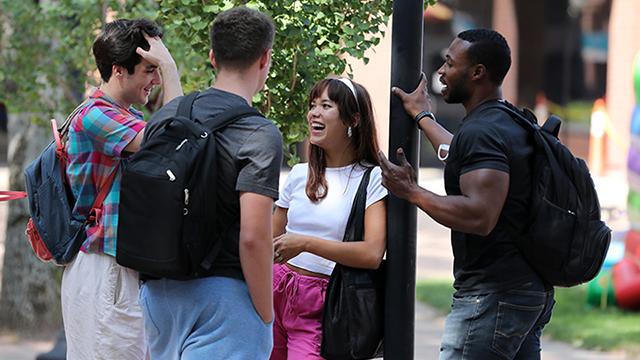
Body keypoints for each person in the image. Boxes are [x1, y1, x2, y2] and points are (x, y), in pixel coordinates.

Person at [378, 29, 555, 359]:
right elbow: (463, 155)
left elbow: (480, 215)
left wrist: (411, 191)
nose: (441, 72)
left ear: (477, 73)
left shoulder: (482, 131)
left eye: (449, 63)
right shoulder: (511, 121)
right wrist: (423, 116)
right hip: (528, 290)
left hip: (492, 297)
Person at [139, 7, 282, 359]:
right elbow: (253, 236)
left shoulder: (167, 117)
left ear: (212, 56)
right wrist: (265, 314)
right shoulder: (259, 133)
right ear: (265, 59)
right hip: (225, 300)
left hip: (158, 296)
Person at [61, 19, 182, 359]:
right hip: (106, 271)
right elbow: (176, 141)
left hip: (120, 269)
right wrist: (171, 69)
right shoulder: (96, 115)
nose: (155, 80)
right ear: (119, 70)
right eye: (149, 69)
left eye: (157, 70)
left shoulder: (123, 117)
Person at [270, 77, 387, 359]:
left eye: (326, 105)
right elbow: (270, 242)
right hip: (275, 291)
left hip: (324, 302)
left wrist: (306, 244)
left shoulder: (372, 179)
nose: (314, 113)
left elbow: (372, 253)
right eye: (312, 106)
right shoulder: (299, 174)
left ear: (353, 119)